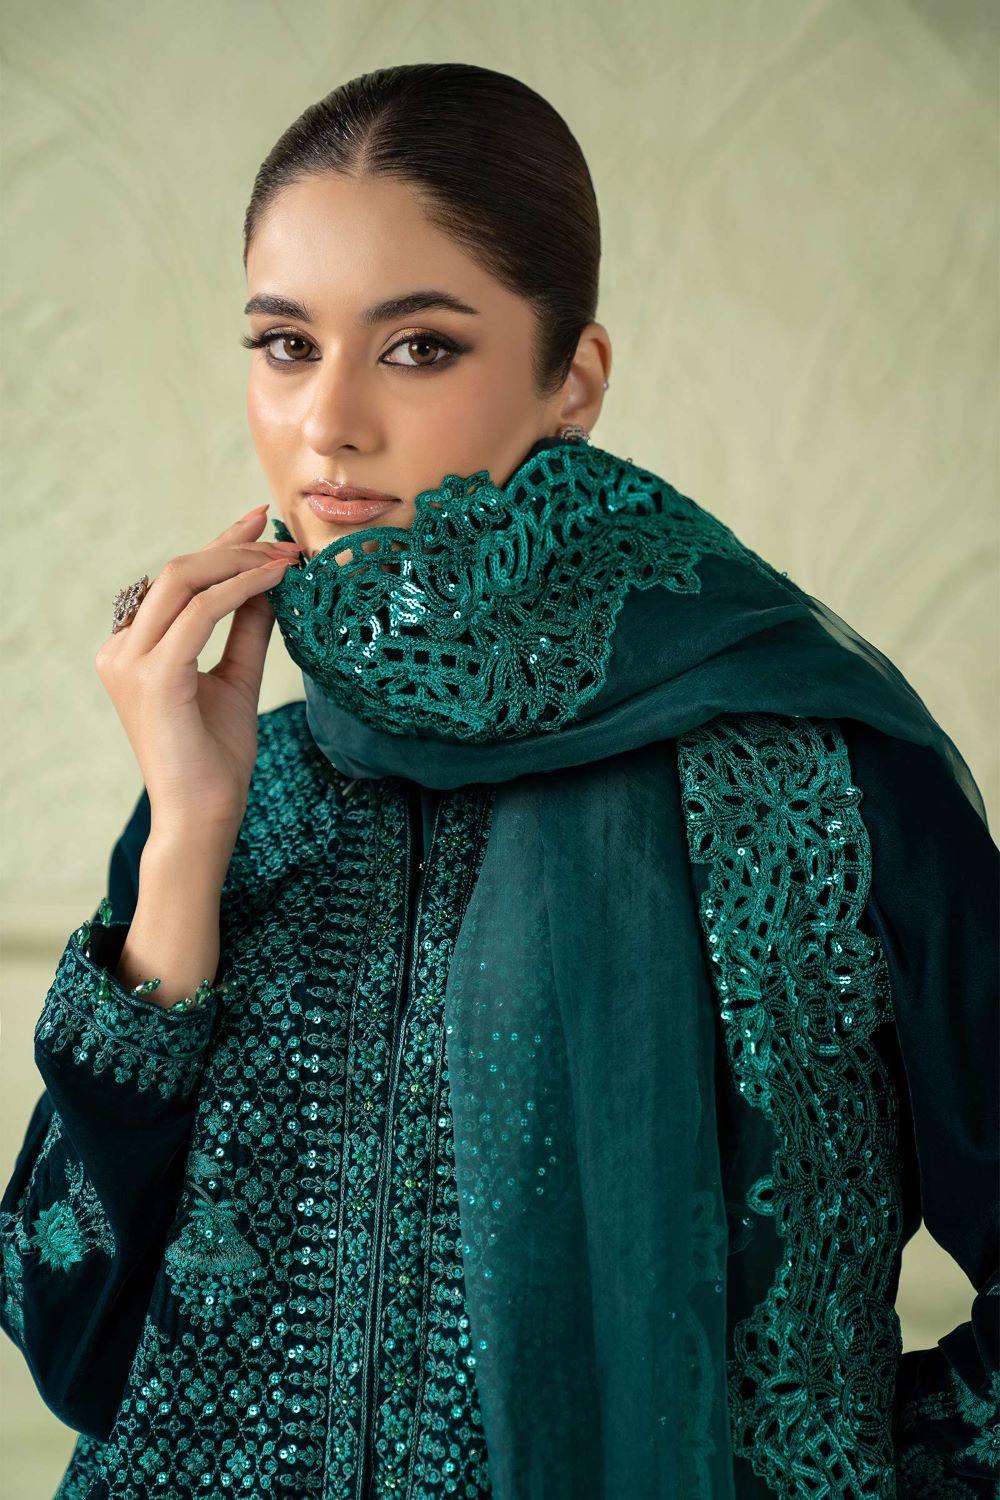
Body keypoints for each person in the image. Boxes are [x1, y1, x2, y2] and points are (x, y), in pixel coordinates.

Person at [1, 61, 997, 1500]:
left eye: (417, 347)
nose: (329, 421)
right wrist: (187, 841)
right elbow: (72, 1346)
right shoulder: (237, 792)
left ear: (571, 378)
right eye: (286, 344)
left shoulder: (818, 782)